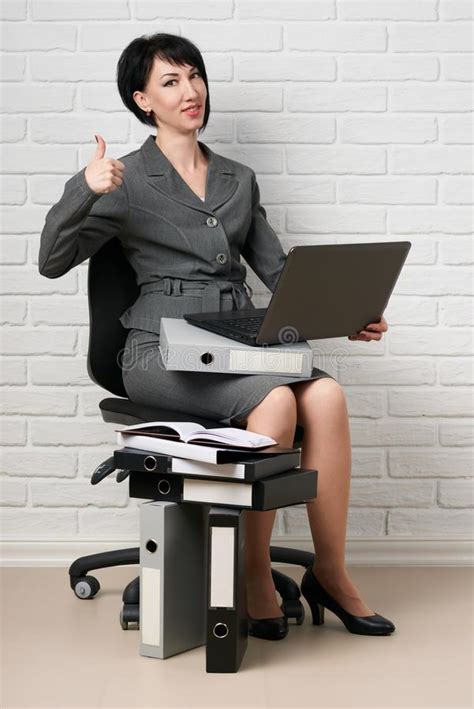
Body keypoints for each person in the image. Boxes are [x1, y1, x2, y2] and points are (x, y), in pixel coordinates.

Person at [38, 33, 394, 640]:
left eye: (194, 75)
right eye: (170, 81)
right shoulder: (122, 178)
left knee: (328, 397)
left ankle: (330, 574)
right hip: (157, 347)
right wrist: (83, 188)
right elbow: (52, 259)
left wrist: (345, 315)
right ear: (142, 100)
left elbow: (279, 274)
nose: (190, 90)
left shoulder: (239, 177)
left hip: (240, 336)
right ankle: (253, 575)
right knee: (278, 399)